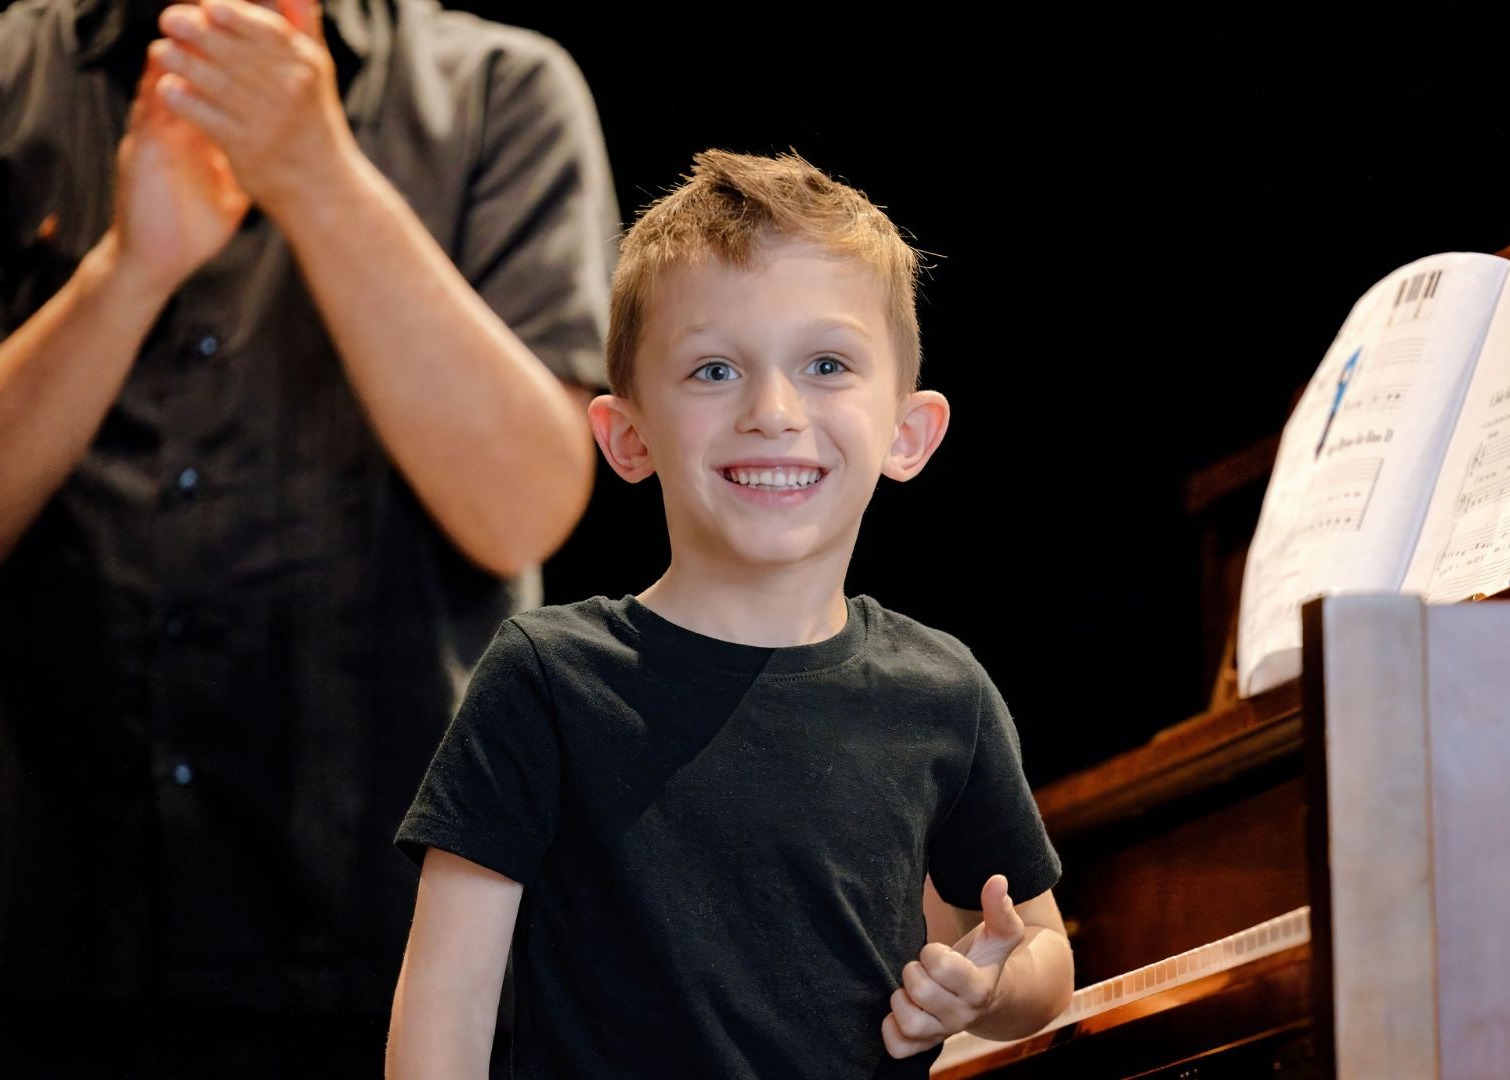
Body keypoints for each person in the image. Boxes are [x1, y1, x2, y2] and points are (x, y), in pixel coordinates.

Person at [0, 0, 618, 1073]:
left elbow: (523, 509)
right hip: (25, 938)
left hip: (387, 958)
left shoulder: (502, 88)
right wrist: (128, 270)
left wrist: (319, 176)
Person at [388, 149, 1074, 1078]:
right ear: (627, 437)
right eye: (713, 370)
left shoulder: (942, 693)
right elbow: (448, 1002)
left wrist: (988, 991)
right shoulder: (547, 679)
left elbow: (1043, 958)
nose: (774, 411)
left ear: (908, 434)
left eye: (826, 364)